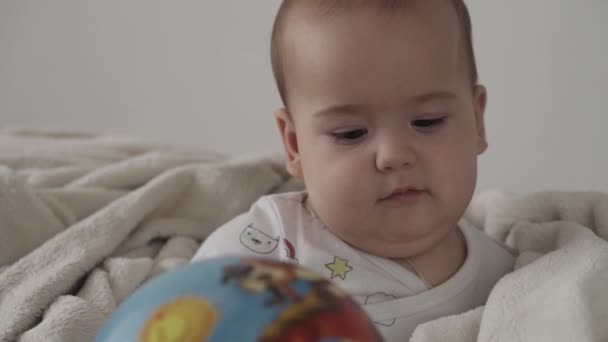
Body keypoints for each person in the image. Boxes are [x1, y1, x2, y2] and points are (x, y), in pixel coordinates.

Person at [193, 0, 514, 339]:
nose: (393, 155)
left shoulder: (511, 277)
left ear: (477, 122)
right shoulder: (264, 251)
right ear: (295, 145)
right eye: (351, 133)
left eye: (427, 121)